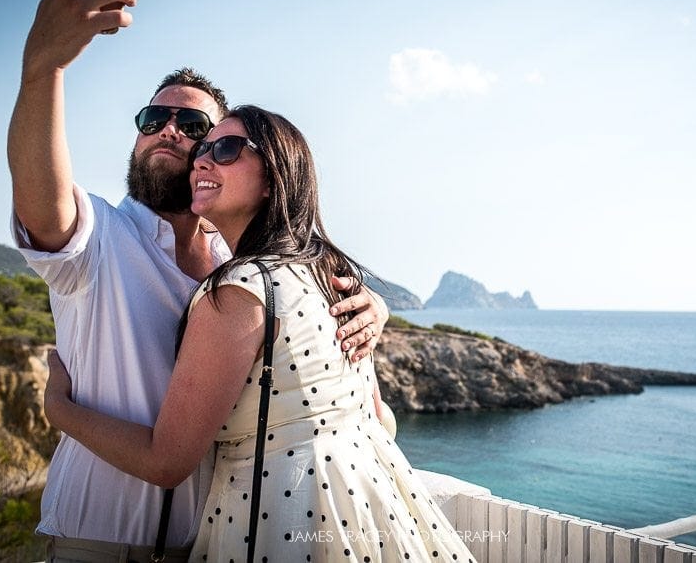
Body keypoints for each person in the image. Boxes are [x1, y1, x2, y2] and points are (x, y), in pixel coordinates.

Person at [7, 0, 387, 561]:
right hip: (97, 538)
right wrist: (43, 68)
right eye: (154, 117)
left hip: (210, 541)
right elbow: (40, 199)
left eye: (194, 126)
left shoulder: (239, 262)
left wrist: (374, 308)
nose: (169, 130)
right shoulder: (97, 238)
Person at [44, 106, 475, 562]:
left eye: (226, 148)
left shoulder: (236, 292)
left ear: (273, 179)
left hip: (273, 525)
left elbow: (165, 462)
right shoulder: (329, 274)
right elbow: (382, 420)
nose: (202, 161)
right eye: (204, 149)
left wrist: (60, 410)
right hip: (378, 516)